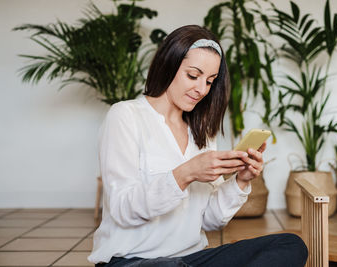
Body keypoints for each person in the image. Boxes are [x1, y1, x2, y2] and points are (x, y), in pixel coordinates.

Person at [88, 25, 307, 266]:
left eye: (210, 81)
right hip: (132, 261)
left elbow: (210, 220)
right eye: (193, 76)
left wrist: (241, 180)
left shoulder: (200, 132)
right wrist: (186, 173)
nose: (201, 89)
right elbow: (123, 209)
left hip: (191, 259)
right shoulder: (125, 116)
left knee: (290, 244)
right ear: (168, 65)